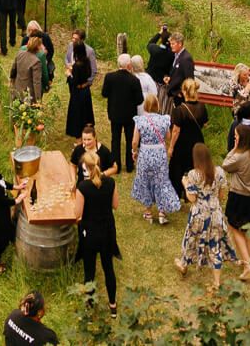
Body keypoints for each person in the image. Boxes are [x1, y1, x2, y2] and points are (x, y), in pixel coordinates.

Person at [175, 143, 237, 291]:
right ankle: (217, 282)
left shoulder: (193, 175)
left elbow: (192, 198)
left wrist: (185, 183)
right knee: (215, 246)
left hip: (199, 215)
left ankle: (183, 265)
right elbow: (221, 196)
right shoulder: (219, 172)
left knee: (191, 239)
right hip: (215, 214)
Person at [74, 152, 121, 314]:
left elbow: (77, 214)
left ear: (85, 168)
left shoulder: (83, 187)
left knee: (89, 270)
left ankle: (90, 304)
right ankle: (113, 305)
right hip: (107, 231)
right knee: (108, 268)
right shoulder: (111, 182)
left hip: (90, 233)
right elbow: (115, 205)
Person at [221, 124, 250, 281]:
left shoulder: (239, 157)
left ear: (242, 139)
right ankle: (248, 257)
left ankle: (248, 265)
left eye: (236, 136)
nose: (235, 138)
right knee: (248, 227)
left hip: (239, 197)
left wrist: (234, 149)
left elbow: (225, 165)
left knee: (234, 227)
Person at [130, 95, 180, 224]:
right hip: (160, 153)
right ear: (157, 105)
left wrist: (134, 152)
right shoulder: (164, 120)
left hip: (145, 153)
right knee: (161, 180)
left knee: (145, 180)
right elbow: (168, 137)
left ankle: (148, 212)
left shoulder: (140, 120)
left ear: (145, 105)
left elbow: (135, 141)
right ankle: (162, 212)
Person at [167, 78, 209, 203]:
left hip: (182, 144)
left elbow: (176, 131)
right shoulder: (202, 107)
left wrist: (171, 147)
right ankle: (193, 193)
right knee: (195, 168)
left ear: (184, 92)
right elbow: (205, 123)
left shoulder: (179, 110)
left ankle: (177, 193)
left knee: (177, 169)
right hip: (197, 142)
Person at [101, 53, 143, 171]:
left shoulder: (109, 77)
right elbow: (140, 100)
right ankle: (129, 165)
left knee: (115, 139)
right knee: (129, 139)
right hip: (130, 115)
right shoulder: (134, 80)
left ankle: (116, 165)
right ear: (129, 65)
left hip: (114, 113)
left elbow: (104, 93)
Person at [64, 32, 95, 140]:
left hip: (78, 91)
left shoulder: (77, 66)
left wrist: (69, 75)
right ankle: (89, 133)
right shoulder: (86, 61)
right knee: (86, 113)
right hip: (85, 91)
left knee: (77, 115)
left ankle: (79, 139)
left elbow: (74, 82)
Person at [163, 32, 195, 111]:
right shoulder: (176, 55)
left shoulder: (186, 58)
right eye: (170, 44)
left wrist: (180, 93)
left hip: (181, 98)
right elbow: (177, 73)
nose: (171, 46)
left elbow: (190, 79)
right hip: (174, 94)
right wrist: (169, 78)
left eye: (173, 44)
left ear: (180, 44)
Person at [10, 35, 45, 102]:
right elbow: (36, 82)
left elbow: (13, 69)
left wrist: (12, 82)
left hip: (17, 90)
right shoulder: (36, 62)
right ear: (38, 47)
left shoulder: (20, 53)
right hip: (28, 96)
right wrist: (38, 99)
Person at [145, 27, 173, 107]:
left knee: (149, 104)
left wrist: (159, 33)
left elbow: (150, 43)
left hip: (151, 79)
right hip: (162, 83)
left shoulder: (154, 49)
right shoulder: (171, 54)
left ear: (161, 40)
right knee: (160, 105)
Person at [26, 21, 56, 87]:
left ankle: (48, 83)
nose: (32, 32)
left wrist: (47, 60)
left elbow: (51, 51)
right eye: (30, 30)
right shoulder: (26, 38)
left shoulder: (45, 37)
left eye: (34, 30)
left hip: (45, 60)